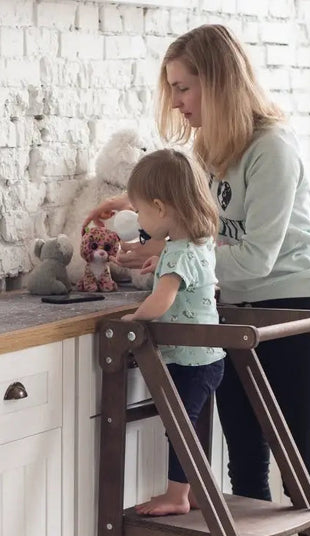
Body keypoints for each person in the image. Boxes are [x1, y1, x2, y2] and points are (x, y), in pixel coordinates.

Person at [85, 24, 310, 536]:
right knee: (245, 468)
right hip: (228, 316)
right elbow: (191, 220)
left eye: (184, 88)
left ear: (218, 81)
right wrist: (135, 214)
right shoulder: (208, 149)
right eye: (173, 89)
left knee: (300, 465)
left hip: (291, 315)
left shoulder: (271, 149)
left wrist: (174, 260)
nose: (177, 102)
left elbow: (254, 258)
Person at [121, 148, 225, 517]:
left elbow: (162, 301)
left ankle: (177, 495)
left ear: (160, 208)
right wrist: (161, 263)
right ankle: (196, 490)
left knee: (180, 429)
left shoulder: (178, 254)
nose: (139, 220)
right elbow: (189, 276)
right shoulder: (197, 244)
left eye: (140, 212)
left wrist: (133, 321)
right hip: (209, 358)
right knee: (191, 424)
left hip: (188, 360)